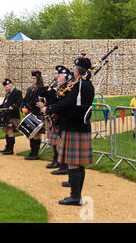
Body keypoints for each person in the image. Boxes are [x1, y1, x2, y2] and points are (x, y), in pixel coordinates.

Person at [41, 56, 95, 206]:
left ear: (78, 71)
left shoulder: (81, 86)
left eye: (74, 68)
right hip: (77, 127)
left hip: (74, 127)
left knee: (73, 163)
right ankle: (76, 196)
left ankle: (75, 197)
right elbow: (68, 103)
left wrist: (50, 109)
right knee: (78, 164)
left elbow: (68, 104)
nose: (72, 71)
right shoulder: (83, 84)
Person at [37, 66, 70, 168]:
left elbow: (58, 102)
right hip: (52, 116)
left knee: (59, 142)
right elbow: (46, 95)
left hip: (59, 117)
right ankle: (56, 160)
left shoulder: (65, 89)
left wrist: (47, 108)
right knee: (53, 141)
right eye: (56, 74)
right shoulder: (55, 86)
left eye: (58, 75)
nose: (56, 77)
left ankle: (61, 163)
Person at [21, 70, 46, 160]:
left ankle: (35, 153)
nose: (33, 80)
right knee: (31, 133)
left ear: (38, 78)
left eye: (34, 78)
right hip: (30, 113)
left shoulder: (42, 88)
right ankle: (32, 151)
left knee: (36, 134)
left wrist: (27, 106)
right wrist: (23, 107)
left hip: (37, 113)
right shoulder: (30, 88)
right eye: (32, 78)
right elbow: (25, 99)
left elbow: (37, 100)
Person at [0, 78, 23, 155]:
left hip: (13, 115)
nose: (5, 88)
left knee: (10, 131)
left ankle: (10, 149)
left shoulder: (17, 92)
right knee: (6, 131)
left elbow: (19, 102)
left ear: (10, 85)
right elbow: (4, 104)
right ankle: (7, 147)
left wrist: (13, 106)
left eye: (6, 87)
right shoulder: (8, 94)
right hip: (7, 115)